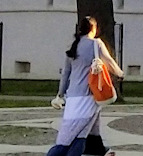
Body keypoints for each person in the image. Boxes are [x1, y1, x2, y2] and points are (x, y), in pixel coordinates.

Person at [48, 16, 124, 156]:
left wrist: (60, 94)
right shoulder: (96, 43)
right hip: (89, 96)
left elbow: (66, 74)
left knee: (88, 129)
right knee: (75, 136)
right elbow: (109, 62)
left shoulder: (73, 46)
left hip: (72, 97)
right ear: (93, 29)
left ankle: (100, 150)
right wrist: (120, 73)